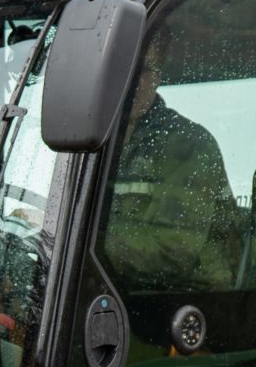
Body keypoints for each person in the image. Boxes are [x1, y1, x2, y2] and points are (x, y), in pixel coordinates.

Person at [99, 24, 241, 294]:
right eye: (126, 70)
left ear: (159, 77)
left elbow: (172, 253)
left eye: (146, 71)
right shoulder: (97, 140)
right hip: (121, 290)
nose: (135, 82)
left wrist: (84, 239)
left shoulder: (188, 145)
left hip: (187, 304)